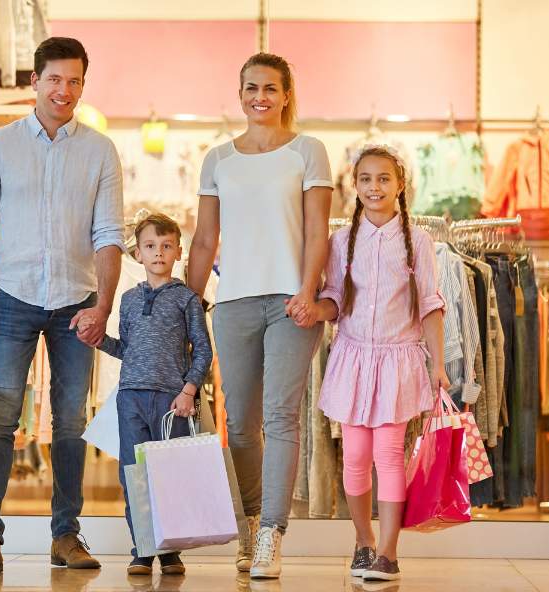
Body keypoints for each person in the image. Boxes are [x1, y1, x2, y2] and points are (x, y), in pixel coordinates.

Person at [0, 36, 125, 573]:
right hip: (12, 296)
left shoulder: (100, 151)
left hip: (78, 300)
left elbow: (109, 235)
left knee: (71, 421)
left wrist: (104, 306)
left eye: (75, 81)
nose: (65, 90)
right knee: (1, 418)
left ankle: (66, 536)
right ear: (35, 81)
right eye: (55, 79)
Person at [187, 53, 332, 579]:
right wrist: (187, 305)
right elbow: (205, 240)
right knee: (242, 426)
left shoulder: (308, 152)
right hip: (234, 303)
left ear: (286, 95)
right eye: (251, 88)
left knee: (281, 418)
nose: (260, 97)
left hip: (292, 303)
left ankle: (273, 531)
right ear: (240, 92)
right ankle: (250, 524)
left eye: (270, 88)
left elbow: (319, 231)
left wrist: (308, 289)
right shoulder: (218, 159)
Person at [294, 144, 449, 583]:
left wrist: (437, 365)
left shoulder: (419, 241)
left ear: (400, 185)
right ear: (354, 185)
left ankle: (388, 551)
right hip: (353, 356)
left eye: (383, 178)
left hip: (397, 361)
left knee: (389, 455)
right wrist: (313, 309)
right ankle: (362, 541)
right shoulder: (341, 240)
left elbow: (431, 307)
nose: (374, 187)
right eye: (365, 179)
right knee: (355, 456)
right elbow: (335, 301)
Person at [88, 213, 213, 577]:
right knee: (134, 476)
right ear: (137, 253)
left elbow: (202, 351)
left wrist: (189, 390)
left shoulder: (187, 299)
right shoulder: (126, 300)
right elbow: (127, 348)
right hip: (130, 399)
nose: (158, 252)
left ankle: (170, 550)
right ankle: (143, 549)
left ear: (177, 252)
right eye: (150, 246)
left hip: (172, 402)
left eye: (166, 246)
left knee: (169, 476)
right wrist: (100, 342)